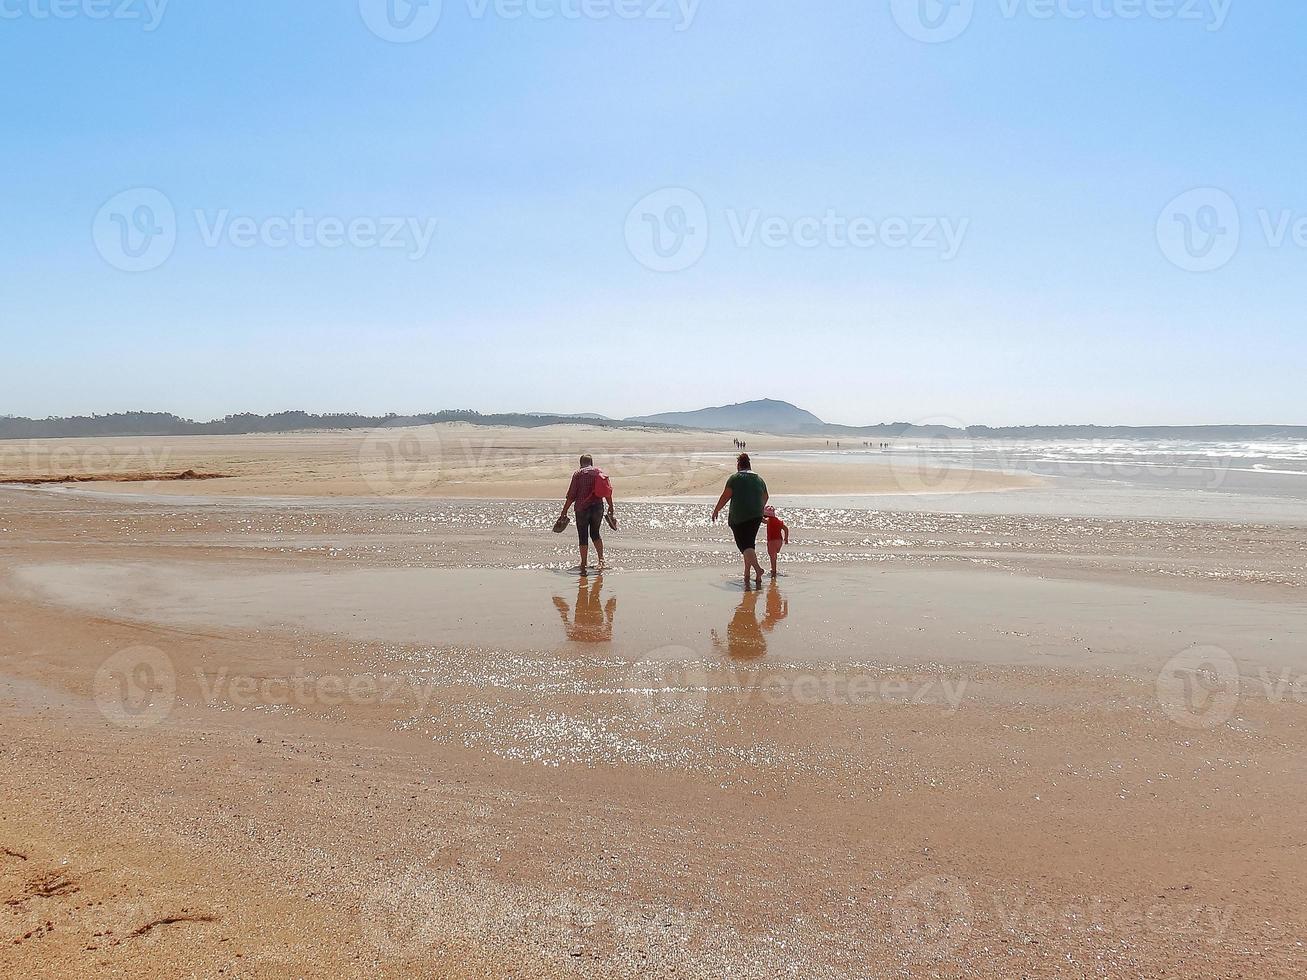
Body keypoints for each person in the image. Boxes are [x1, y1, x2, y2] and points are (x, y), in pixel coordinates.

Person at [711, 453, 768, 587]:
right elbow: (765, 496)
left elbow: (725, 496)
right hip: (756, 517)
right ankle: (747, 574)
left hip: (739, 517)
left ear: (738, 465)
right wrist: (759, 508)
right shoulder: (759, 479)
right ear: (749, 464)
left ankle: (758, 570)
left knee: (745, 546)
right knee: (749, 545)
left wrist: (716, 510)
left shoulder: (735, 479)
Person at [557, 454, 614, 575]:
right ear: (592, 462)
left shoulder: (578, 474)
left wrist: (564, 511)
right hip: (598, 507)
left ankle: (583, 563)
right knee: (595, 533)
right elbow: (607, 491)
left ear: (580, 463)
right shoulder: (599, 472)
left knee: (583, 536)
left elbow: (571, 495)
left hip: (582, 509)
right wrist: (611, 507)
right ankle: (601, 560)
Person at [763, 504, 789, 579]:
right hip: (779, 541)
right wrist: (786, 538)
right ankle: (774, 568)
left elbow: (763, 520)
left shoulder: (769, 520)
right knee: (775, 555)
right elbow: (786, 529)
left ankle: (773, 570)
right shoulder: (779, 521)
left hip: (772, 541)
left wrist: (757, 514)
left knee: (772, 556)